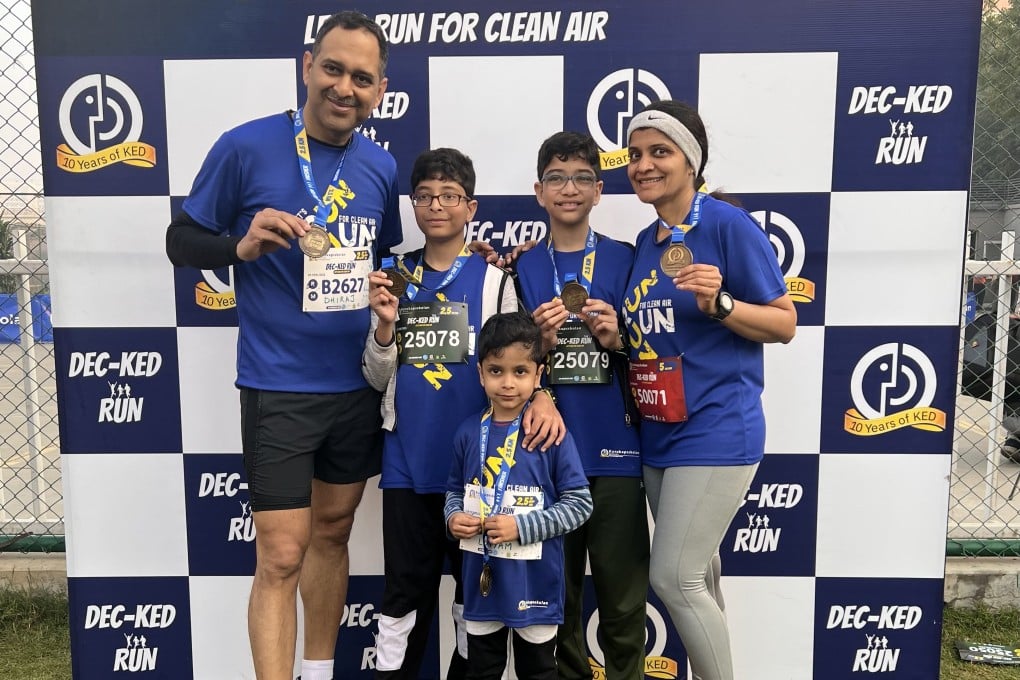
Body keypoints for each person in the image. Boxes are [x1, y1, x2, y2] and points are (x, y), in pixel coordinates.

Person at [164, 11, 399, 680]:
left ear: (379, 90)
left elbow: (378, 259)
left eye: (361, 78)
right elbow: (180, 241)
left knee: (332, 533)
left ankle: (318, 673)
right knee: (281, 554)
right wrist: (238, 247)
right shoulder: (245, 146)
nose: (344, 87)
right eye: (333, 69)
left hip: (356, 385)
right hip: (278, 386)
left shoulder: (380, 166)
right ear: (307, 67)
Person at [361, 148, 564, 679]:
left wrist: (544, 394)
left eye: (449, 196)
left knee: (472, 596)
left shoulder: (494, 279)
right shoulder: (393, 275)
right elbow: (378, 378)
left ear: (470, 207)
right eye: (425, 196)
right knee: (403, 593)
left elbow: (520, 365)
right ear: (412, 204)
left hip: (478, 466)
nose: (436, 206)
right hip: (406, 461)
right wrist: (385, 328)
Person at [622, 100, 796, 680]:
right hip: (659, 431)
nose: (644, 165)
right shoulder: (647, 240)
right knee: (701, 575)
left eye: (660, 152)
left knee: (674, 578)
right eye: (636, 154)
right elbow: (657, 335)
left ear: (691, 161)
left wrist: (721, 304)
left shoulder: (725, 224)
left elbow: (785, 323)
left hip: (716, 427)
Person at [514, 131, 649, 679]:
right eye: (556, 178)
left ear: (598, 191)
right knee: (558, 607)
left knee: (623, 604)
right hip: (546, 457)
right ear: (539, 192)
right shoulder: (518, 269)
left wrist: (622, 340)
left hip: (617, 453)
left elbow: (657, 345)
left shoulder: (628, 259)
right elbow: (503, 365)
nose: (568, 189)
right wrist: (538, 349)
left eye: (581, 178)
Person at [445, 312, 593, 680]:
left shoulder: (551, 434)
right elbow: (454, 492)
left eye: (520, 371)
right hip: (482, 582)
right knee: (481, 671)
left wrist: (522, 527)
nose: (508, 383)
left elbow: (580, 504)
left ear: (538, 375)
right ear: (481, 374)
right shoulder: (467, 433)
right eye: (496, 371)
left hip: (536, 582)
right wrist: (453, 517)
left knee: (538, 671)